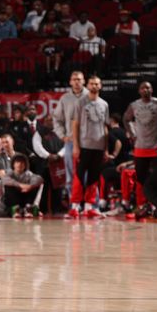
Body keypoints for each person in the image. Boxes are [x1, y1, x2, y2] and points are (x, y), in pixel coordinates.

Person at [123, 81, 157, 217]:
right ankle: (142, 205)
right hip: (141, 147)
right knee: (140, 179)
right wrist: (132, 134)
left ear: (152, 89)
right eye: (143, 88)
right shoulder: (134, 105)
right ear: (139, 91)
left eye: (148, 87)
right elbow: (126, 119)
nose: (145, 90)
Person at [68, 76, 108, 218]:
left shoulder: (104, 104)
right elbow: (75, 125)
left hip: (98, 147)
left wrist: (106, 149)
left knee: (93, 177)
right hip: (84, 145)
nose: (94, 86)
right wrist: (76, 146)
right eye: (92, 83)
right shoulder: (80, 102)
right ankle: (74, 206)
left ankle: (89, 207)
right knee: (79, 177)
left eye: (97, 83)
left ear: (100, 86)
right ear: (88, 85)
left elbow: (105, 127)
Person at [52, 71, 87, 200]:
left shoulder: (90, 96)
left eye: (79, 79)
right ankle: (73, 202)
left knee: (88, 173)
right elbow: (56, 119)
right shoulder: (65, 98)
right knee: (70, 173)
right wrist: (62, 135)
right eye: (74, 79)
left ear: (83, 81)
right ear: (70, 82)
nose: (77, 82)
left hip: (87, 142)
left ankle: (87, 203)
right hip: (70, 142)